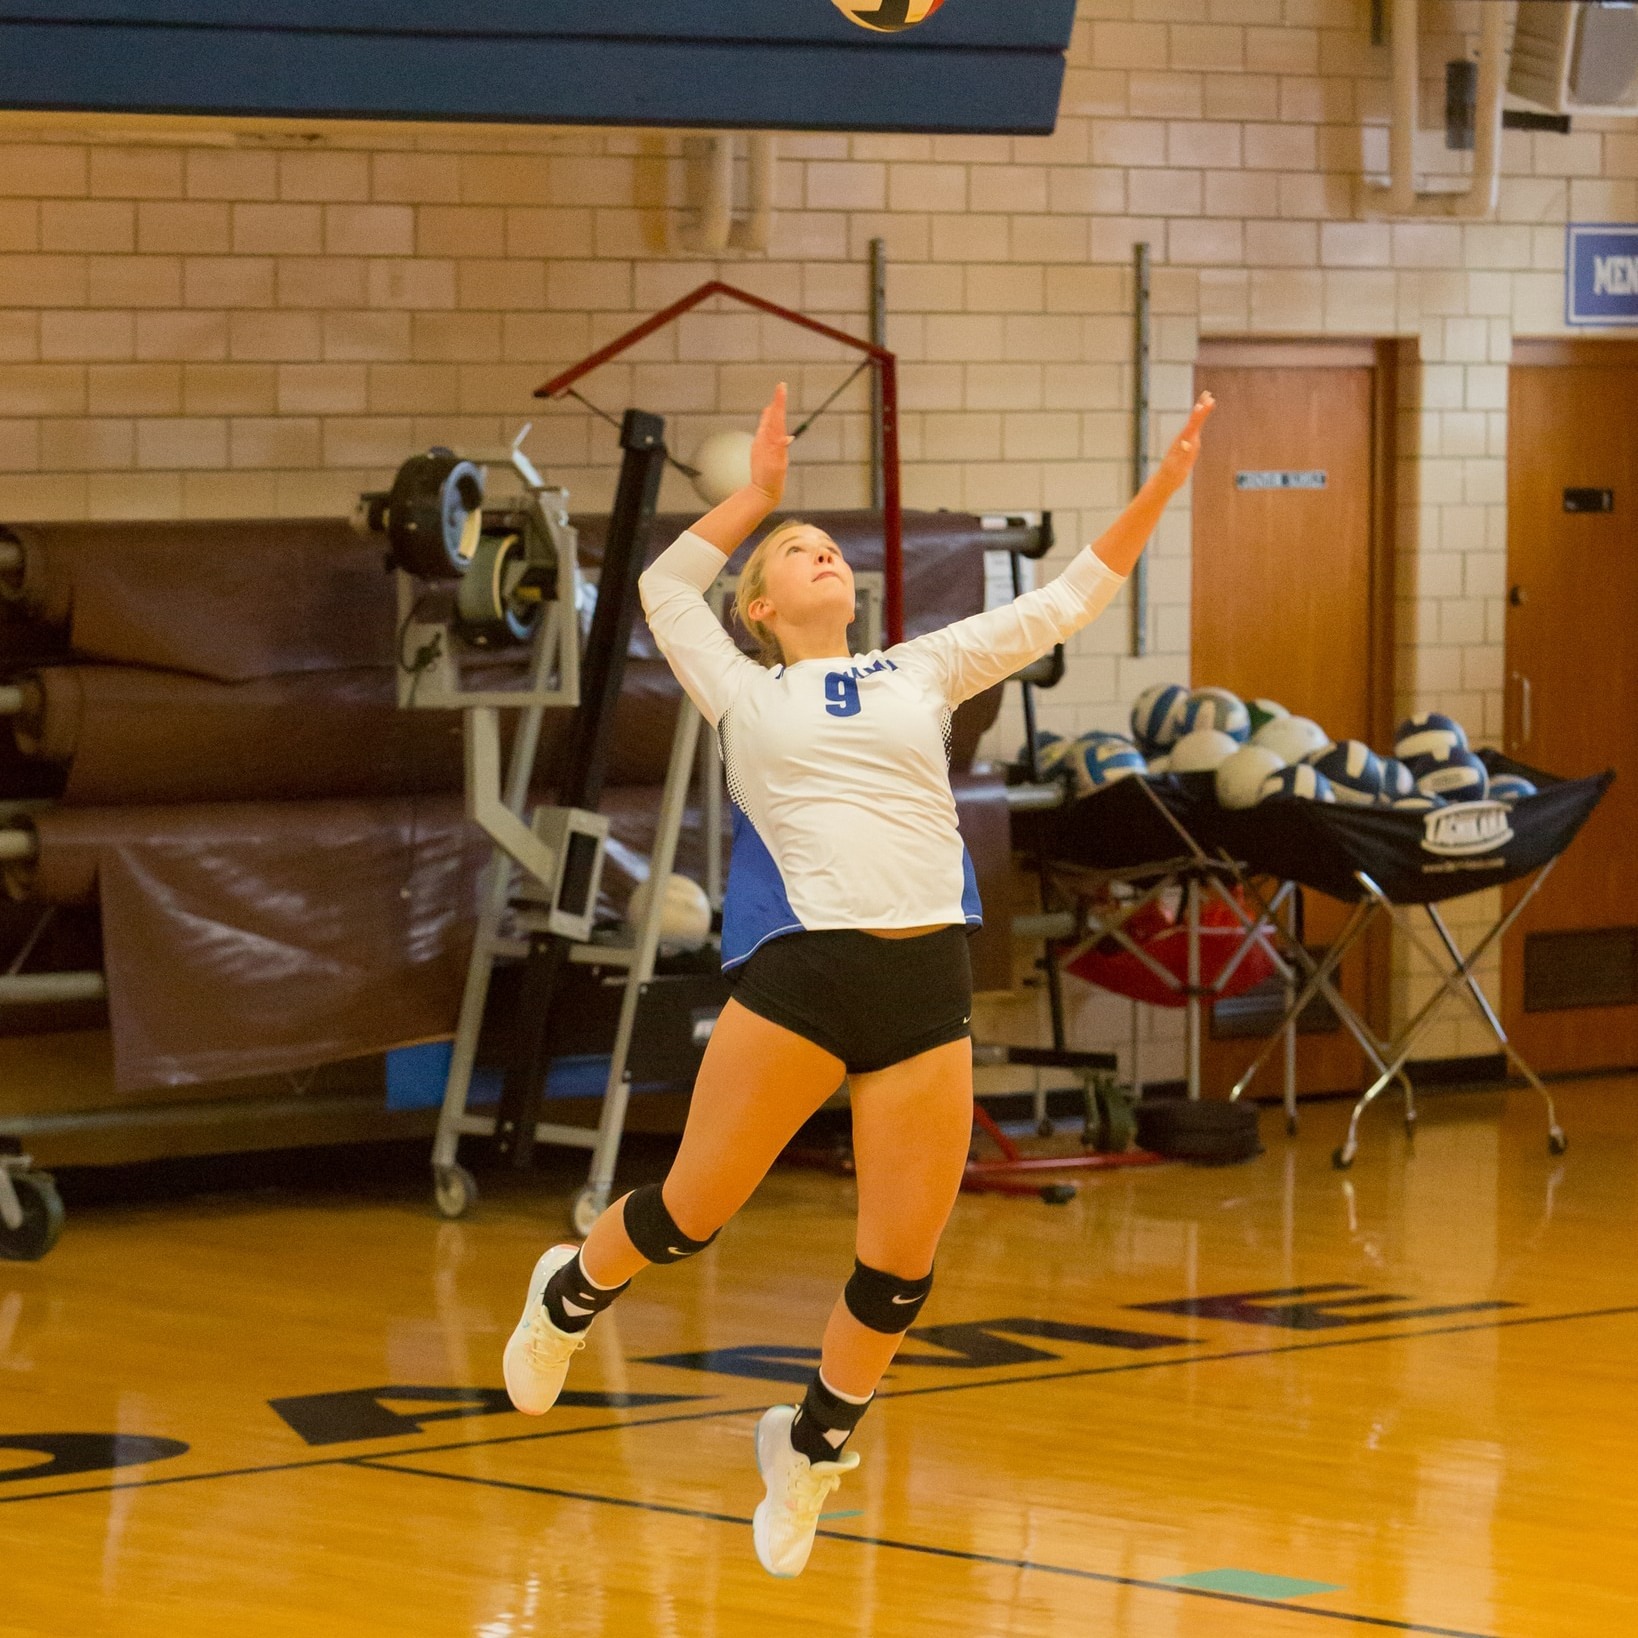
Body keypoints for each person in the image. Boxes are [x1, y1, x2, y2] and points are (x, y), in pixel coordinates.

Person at [503, 383, 1215, 1577]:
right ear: (765, 606)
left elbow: (1069, 597)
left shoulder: (919, 669)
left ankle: (810, 1446)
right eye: (796, 553)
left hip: (926, 976)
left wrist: (1160, 489)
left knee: (900, 1261)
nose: (820, 553)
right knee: (690, 1214)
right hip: (802, 976)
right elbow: (661, 588)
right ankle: (571, 1292)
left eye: (825, 543)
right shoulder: (740, 685)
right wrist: (757, 498)